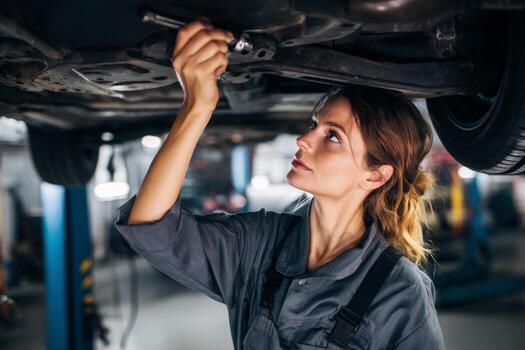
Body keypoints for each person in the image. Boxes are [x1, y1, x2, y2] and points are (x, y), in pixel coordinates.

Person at [114, 19, 445, 350]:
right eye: (314, 125)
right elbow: (154, 229)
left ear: (376, 175)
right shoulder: (260, 243)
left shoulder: (399, 291)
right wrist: (197, 107)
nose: (303, 139)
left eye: (332, 136)